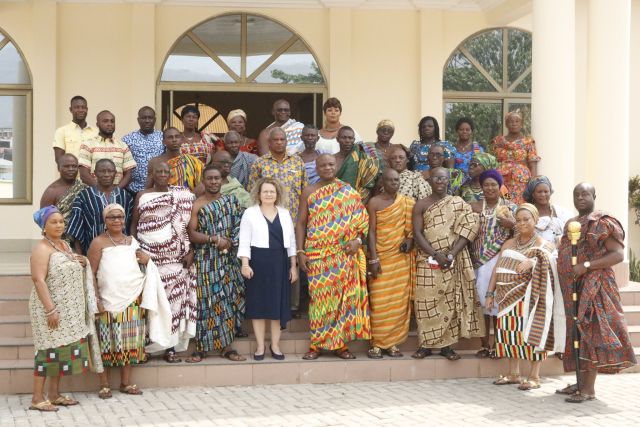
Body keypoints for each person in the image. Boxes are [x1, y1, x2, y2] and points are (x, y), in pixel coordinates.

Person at [556, 183, 637, 403]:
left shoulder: (602, 222)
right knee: (577, 333)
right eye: (576, 194)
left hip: (595, 286)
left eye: (585, 194)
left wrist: (587, 266)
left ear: (594, 196)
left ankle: (588, 390)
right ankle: (580, 382)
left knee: (589, 332)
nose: (580, 197)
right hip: (573, 288)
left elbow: (618, 254)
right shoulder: (573, 223)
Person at [296, 154, 370, 360]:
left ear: (336, 166)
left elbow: (362, 221)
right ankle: (316, 345)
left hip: (343, 254)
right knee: (319, 301)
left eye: (331, 164)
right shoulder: (309, 192)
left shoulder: (348, 191)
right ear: (316, 168)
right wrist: (300, 252)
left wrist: (357, 241)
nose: (327, 168)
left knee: (342, 301)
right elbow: (301, 223)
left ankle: (341, 346)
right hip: (317, 255)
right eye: (323, 165)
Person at [28, 206, 101, 412]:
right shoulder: (42, 249)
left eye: (61, 221)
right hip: (48, 308)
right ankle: (36, 398)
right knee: (46, 350)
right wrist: (51, 309)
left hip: (68, 310)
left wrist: (82, 260)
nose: (59, 225)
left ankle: (54, 394)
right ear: (44, 227)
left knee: (59, 351)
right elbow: (38, 280)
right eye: (54, 222)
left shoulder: (64, 245)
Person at [485, 203, 565, 390]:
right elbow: (497, 269)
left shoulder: (545, 245)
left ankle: (534, 376)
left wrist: (535, 261)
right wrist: (490, 293)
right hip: (505, 297)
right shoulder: (509, 243)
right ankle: (513, 374)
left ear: (535, 220)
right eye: (518, 220)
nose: (521, 223)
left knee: (530, 334)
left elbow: (554, 267)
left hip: (530, 298)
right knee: (508, 334)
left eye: (526, 219)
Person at [88, 204, 161, 399]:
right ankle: (103, 384)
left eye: (120, 217)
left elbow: (143, 267)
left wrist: (147, 260)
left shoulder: (132, 242)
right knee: (105, 342)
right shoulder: (98, 243)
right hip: (107, 300)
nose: (117, 220)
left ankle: (125, 383)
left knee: (129, 343)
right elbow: (90, 274)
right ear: (105, 221)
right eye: (112, 217)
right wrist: (95, 299)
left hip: (131, 299)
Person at [411, 167, 483, 361]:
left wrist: (451, 254)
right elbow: (417, 233)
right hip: (428, 259)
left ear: (448, 181)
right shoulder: (421, 205)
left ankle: (447, 347)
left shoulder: (458, 203)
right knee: (425, 301)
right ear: (430, 181)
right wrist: (435, 254)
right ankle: (425, 345)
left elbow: (470, 225)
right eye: (436, 178)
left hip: (453, 259)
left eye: (443, 178)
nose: (440, 182)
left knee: (450, 301)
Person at [130, 162, 197, 363]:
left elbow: (186, 227)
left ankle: (169, 348)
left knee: (173, 304)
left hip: (175, 260)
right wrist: (136, 250)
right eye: (158, 171)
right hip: (149, 258)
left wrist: (191, 250)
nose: (162, 174)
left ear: (170, 175)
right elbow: (134, 225)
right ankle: (147, 347)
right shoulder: (142, 195)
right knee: (151, 303)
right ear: (152, 173)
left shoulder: (182, 196)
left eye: (165, 172)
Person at [186, 165, 246, 363]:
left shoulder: (231, 201)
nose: (213, 182)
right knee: (205, 301)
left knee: (227, 299)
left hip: (229, 258)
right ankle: (202, 347)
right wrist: (214, 239)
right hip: (206, 260)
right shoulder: (197, 204)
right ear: (203, 181)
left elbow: (239, 225)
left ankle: (227, 346)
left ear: (222, 180)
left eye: (216, 178)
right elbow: (192, 233)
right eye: (209, 178)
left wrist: (229, 243)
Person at [239, 177, 298, 360]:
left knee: (276, 306)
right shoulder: (250, 213)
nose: (269, 194)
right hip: (258, 263)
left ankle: (275, 345)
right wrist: (245, 264)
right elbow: (244, 240)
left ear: (277, 194)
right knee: (258, 306)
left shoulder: (284, 213)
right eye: (265, 191)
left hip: (279, 263)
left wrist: (293, 266)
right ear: (259, 194)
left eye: (272, 191)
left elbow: (292, 242)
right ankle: (259, 347)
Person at [366, 169, 415, 359]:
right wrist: (374, 258)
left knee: (398, 302)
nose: (395, 183)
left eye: (397, 180)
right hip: (381, 258)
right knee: (379, 301)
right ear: (383, 182)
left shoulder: (406, 202)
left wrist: (409, 240)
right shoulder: (374, 202)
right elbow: (371, 232)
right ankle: (377, 344)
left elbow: (411, 230)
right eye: (391, 180)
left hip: (400, 259)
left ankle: (393, 343)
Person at [469, 170, 516, 359]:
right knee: (480, 303)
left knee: (497, 303)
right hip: (477, 260)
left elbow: (521, 229)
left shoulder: (509, 208)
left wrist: (511, 224)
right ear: (481, 187)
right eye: (486, 184)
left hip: (499, 260)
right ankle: (484, 345)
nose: (490, 188)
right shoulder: (474, 206)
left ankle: (498, 344)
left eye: (493, 185)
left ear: (499, 186)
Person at [66, 159, 133, 255]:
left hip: (121, 252)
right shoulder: (84, 196)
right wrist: (81, 257)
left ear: (115, 173)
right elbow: (77, 228)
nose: (106, 174)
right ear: (95, 173)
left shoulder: (125, 196)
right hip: (92, 251)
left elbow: (130, 226)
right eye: (102, 171)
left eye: (110, 171)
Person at [249, 127, 308, 223]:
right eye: (275, 140)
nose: (279, 142)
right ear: (269, 142)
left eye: (282, 139)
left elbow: (305, 189)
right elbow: (253, 192)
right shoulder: (259, 163)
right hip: (268, 219)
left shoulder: (297, 161)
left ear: (286, 141)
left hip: (293, 218)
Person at [489, 111, 540, 204]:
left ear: (521, 124)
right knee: (505, 200)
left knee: (519, 202)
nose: (514, 123)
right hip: (502, 180)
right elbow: (492, 161)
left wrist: (534, 183)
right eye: (511, 121)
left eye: (517, 121)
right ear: (506, 124)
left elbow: (533, 163)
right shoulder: (498, 141)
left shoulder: (528, 142)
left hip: (520, 180)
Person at [78, 110, 136, 189]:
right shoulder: (87, 145)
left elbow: (129, 174)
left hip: (117, 193)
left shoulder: (123, 146)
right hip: (93, 193)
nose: (109, 124)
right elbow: (84, 174)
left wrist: (116, 190)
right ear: (97, 124)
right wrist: (100, 190)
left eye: (112, 121)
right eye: (105, 121)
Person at [39, 154, 87, 243]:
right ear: (58, 168)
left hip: (82, 239)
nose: (71, 169)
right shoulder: (51, 191)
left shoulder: (84, 188)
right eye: (66, 166)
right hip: (60, 241)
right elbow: (44, 220)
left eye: (74, 166)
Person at [121, 107, 165, 196]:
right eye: (144, 118)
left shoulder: (163, 137)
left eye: (150, 118)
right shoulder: (127, 139)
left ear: (155, 119)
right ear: (138, 120)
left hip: (157, 190)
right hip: (133, 190)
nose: (147, 120)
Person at [147, 127, 202, 192]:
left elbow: (201, 185)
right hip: (163, 200)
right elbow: (148, 188)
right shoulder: (154, 162)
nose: (174, 140)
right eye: (170, 137)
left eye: (177, 137)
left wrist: (190, 197)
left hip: (187, 200)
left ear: (181, 140)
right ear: (163, 142)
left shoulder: (193, 161)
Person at [523, 176, 573, 246]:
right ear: (533, 194)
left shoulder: (560, 212)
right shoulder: (527, 213)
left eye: (546, 191)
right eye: (539, 192)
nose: (543, 194)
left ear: (550, 192)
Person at [335, 126, 379, 204]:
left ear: (354, 140)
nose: (347, 141)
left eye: (350, 138)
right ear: (337, 139)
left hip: (359, 202)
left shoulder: (363, 159)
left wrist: (359, 206)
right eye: (344, 138)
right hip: (335, 202)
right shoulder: (331, 159)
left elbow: (367, 187)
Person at [52, 95, 97, 163]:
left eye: (83, 107)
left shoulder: (96, 132)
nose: (80, 110)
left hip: (91, 173)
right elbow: (59, 160)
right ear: (71, 109)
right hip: (71, 173)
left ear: (87, 109)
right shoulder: (61, 131)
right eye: (77, 107)